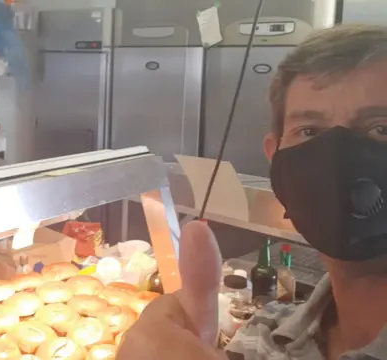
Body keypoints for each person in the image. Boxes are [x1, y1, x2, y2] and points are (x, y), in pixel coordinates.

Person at [117, 24, 387, 360]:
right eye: (309, 131)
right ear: (276, 159)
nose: (338, 160)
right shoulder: (266, 336)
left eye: (381, 128)